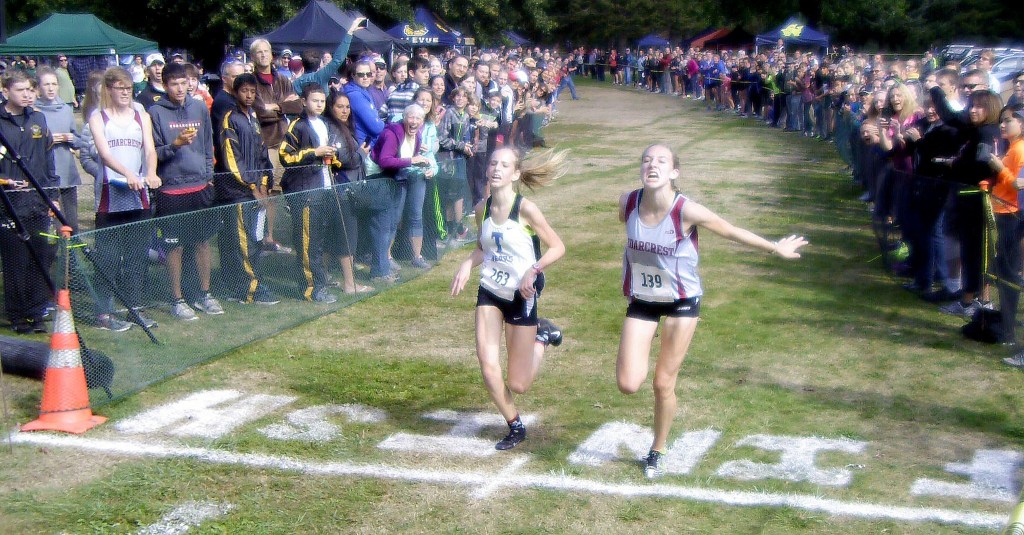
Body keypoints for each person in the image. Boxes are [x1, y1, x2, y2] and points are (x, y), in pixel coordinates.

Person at [616, 144, 807, 478]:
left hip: (681, 302)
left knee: (663, 383)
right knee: (628, 384)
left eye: (661, 161)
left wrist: (774, 247)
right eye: (646, 160)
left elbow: (730, 230)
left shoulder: (686, 210)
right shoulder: (628, 203)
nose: (652, 165)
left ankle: (658, 448)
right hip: (643, 300)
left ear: (674, 172)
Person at [450, 147, 567, 450]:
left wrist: (534, 271)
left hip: (520, 294)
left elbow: (557, 247)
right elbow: (483, 247)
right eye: (493, 164)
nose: (496, 169)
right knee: (487, 364)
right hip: (490, 290)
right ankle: (515, 425)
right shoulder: (482, 208)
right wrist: (467, 264)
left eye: (504, 165)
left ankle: (542, 337)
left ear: (515, 174)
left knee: (519, 383)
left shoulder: (526, 210)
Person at [86, 67, 162, 331]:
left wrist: (150, 172)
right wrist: (128, 173)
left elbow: (150, 149)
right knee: (107, 257)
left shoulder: (141, 116)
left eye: (128, 88)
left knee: (136, 257)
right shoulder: (99, 118)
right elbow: (105, 154)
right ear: (109, 89)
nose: (125, 93)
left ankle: (135, 308)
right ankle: (104, 313)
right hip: (110, 197)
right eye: (120, 88)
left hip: (137, 197)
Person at [148, 62, 223, 321]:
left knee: (202, 242)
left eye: (184, 83)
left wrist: (208, 176)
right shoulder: (155, 112)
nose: (180, 89)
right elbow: (154, 154)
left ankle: (204, 294)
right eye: (174, 84)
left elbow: (207, 144)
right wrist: (175, 144)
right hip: (171, 190)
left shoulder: (199, 107)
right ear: (165, 85)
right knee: (175, 247)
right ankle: (177, 299)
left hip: (200, 186)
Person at [0, 70, 60, 333]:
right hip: (9, 204)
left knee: (41, 257)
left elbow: (48, 160)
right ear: (5, 91)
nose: (27, 95)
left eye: (29, 90)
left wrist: (53, 196)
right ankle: (16, 315)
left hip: (38, 201)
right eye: (20, 90)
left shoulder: (38, 118)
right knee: (16, 261)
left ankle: (37, 312)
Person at [215, 73, 280, 305]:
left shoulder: (253, 118)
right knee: (242, 242)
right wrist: (251, 185)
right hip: (238, 193)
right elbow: (232, 158)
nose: (249, 95)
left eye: (253, 91)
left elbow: (262, 154)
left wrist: (264, 183)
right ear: (235, 92)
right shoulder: (230, 118)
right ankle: (249, 289)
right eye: (244, 91)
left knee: (255, 238)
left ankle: (253, 282)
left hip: (256, 191)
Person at [278, 84, 340, 303]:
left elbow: (329, 156)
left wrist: (332, 157)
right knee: (306, 243)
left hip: (324, 187)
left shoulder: (324, 124)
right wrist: (314, 152)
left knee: (318, 241)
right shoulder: (298, 125)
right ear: (304, 102)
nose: (319, 105)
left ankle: (319, 281)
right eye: (315, 100)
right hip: (305, 191)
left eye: (322, 101)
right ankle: (311, 288)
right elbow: (285, 156)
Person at [371, 104, 433, 278]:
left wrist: (422, 164)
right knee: (385, 224)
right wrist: (412, 160)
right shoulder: (392, 133)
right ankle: (381, 267)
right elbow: (384, 160)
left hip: (396, 179)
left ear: (422, 121)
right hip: (378, 178)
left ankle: (384, 266)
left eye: (418, 118)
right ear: (404, 118)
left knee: (393, 221)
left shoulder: (417, 135)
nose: (414, 121)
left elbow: (406, 160)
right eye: (410, 117)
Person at [324, 89, 374, 294]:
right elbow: (344, 160)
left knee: (334, 237)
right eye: (340, 107)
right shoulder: (334, 130)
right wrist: (361, 154)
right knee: (347, 237)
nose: (345, 111)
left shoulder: (343, 128)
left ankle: (323, 277)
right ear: (331, 108)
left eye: (347, 107)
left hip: (345, 189)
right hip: (342, 191)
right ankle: (349, 284)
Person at [34, 67, 82, 231]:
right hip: (46, 174)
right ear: (38, 88)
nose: (50, 88)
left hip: (67, 172)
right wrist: (48, 140)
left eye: (54, 84)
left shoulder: (66, 110)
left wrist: (70, 138)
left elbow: (78, 141)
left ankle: (73, 247)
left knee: (72, 222)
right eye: (46, 84)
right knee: (54, 224)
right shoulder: (34, 111)